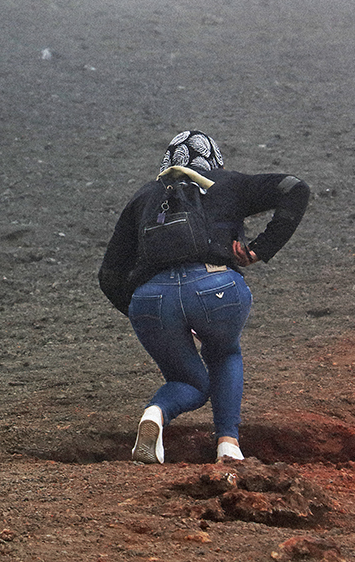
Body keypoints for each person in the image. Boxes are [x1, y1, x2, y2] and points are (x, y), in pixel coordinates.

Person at [98, 130, 310, 464]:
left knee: (189, 381)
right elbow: (295, 188)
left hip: (151, 300)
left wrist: (146, 315)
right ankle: (228, 444)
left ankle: (155, 413)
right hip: (217, 289)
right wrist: (261, 248)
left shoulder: (143, 198)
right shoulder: (229, 183)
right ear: (214, 160)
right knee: (224, 352)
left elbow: (109, 275)